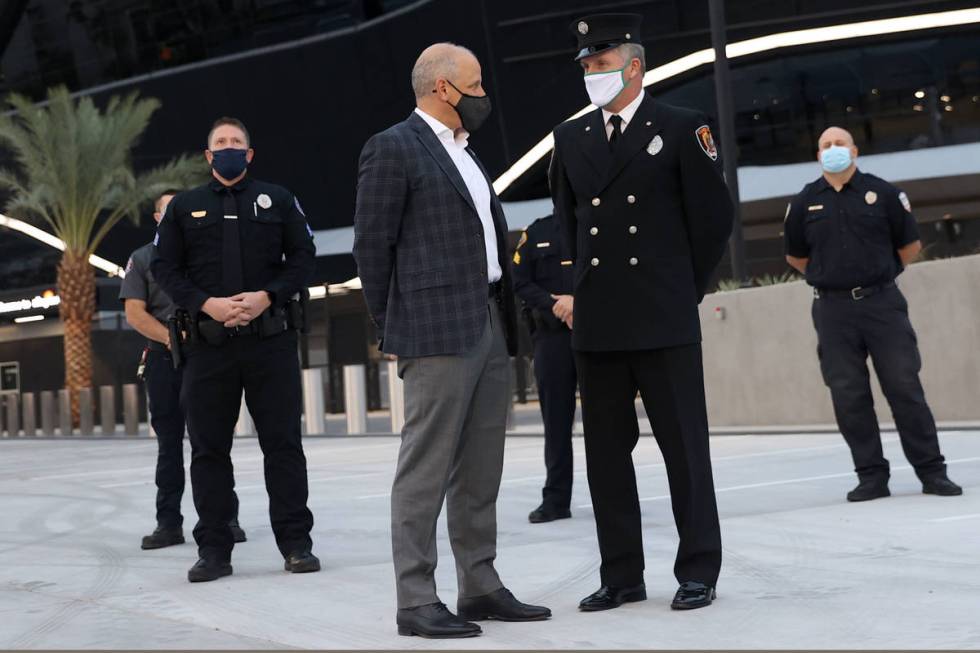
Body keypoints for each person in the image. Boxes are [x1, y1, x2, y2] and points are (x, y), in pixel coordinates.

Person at [353, 43, 551, 639]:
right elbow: (371, 247)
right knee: (426, 467)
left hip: (489, 320)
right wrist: (393, 329)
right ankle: (415, 598)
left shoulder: (467, 152)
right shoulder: (393, 147)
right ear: (444, 88)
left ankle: (480, 585)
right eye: (477, 83)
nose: (484, 94)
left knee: (481, 465)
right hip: (434, 330)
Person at [549, 13, 733, 612]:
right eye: (585, 66)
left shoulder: (682, 127)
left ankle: (698, 569)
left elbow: (713, 220)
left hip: (663, 315)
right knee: (605, 457)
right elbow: (570, 224)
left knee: (684, 450)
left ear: (633, 66)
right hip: (599, 323)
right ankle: (622, 575)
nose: (591, 74)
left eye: (601, 64)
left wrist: (685, 289)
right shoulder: (570, 137)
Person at [151, 117, 320, 583]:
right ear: (208, 157)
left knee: (283, 446)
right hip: (208, 347)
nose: (228, 149)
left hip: (270, 341)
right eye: (219, 143)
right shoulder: (185, 207)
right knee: (208, 451)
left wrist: (268, 295)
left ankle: (296, 544)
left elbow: (304, 257)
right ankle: (214, 551)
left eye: (236, 143)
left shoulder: (279, 199)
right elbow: (165, 268)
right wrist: (207, 304)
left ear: (249, 154)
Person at [784, 126, 963, 502]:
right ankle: (871, 477)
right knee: (848, 395)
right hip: (832, 310)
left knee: (904, 388)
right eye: (826, 146)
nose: (833, 150)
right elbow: (796, 256)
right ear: (818, 156)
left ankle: (932, 472)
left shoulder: (883, 193)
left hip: (882, 304)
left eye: (840, 144)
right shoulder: (803, 202)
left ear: (854, 150)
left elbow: (909, 246)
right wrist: (834, 280)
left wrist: (875, 276)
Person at [120, 191, 246, 550]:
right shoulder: (143, 258)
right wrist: (173, 341)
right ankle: (168, 523)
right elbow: (135, 313)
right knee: (170, 443)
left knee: (213, 442)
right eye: (168, 210)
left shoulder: (205, 256)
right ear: (157, 218)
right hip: (164, 360)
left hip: (208, 356)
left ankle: (226, 519)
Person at [511, 214, 578, 524]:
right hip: (552, 339)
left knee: (610, 424)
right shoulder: (536, 231)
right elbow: (519, 281)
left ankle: (615, 498)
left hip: (600, 333)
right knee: (556, 423)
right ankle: (556, 500)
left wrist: (579, 302)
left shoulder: (599, 223)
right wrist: (556, 305)